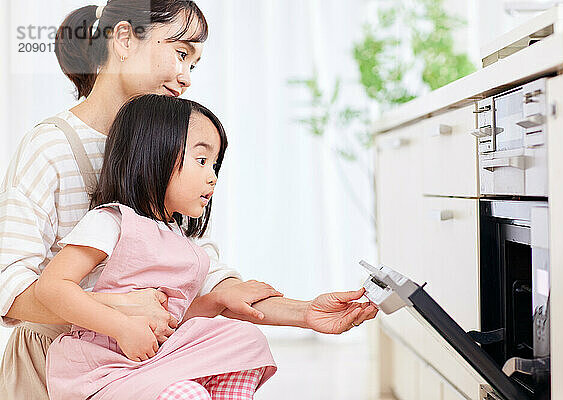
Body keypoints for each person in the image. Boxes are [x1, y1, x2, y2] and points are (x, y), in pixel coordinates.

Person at [0, 1, 378, 398]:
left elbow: (197, 268)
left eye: (194, 64)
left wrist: (304, 312)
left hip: (142, 362)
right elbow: (8, 287)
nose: (186, 77)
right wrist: (120, 310)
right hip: (54, 368)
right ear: (125, 38)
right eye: (181, 53)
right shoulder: (52, 146)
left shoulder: (161, 148)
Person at [36, 94, 280, 400]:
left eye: (215, 164)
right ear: (154, 153)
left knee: (246, 339)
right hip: (103, 367)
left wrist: (216, 300)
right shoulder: (111, 221)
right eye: (202, 161)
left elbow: (172, 318)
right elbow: (51, 288)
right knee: (187, 393)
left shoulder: (184, 242)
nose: (212, 177)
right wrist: (122, 327)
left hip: (156, 357)